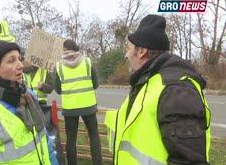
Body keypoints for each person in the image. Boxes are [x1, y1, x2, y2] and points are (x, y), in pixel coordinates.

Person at [112, 14, 211, 164]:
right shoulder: (147, 82)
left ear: (141, 51)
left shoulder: (175, 89)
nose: (126, 55)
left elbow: (189, 160)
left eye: (128, 48)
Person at [53, 39, 102, 165]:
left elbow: (58, 90)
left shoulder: (58, 66)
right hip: (89, 106)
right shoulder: (87, 62)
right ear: (76, 49)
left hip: (70, 109)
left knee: (71, 140)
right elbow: (96, 84)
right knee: (94, 137)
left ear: (64, 49)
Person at [23, 63, 65, 164]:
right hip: (24, 105)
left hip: (41, 106)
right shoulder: (21, 69)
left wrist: (43, 86)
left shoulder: (44, 70)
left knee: (41, 133)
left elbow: (51, 88)